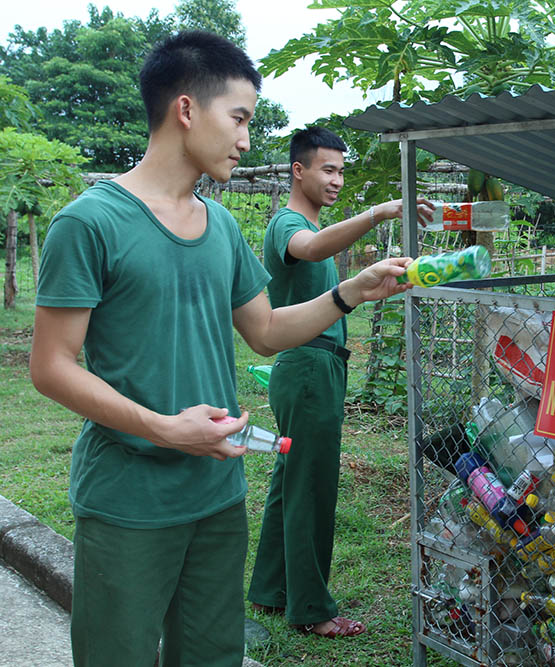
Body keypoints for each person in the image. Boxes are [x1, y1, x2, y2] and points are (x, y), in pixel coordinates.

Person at [28, 31, 413, 667]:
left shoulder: (222, 225)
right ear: (186, 109)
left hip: (217, 496)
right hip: (128, 501)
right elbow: (50, 367)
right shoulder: (90, 222)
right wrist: (163, 428)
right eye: (239, 118)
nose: (246, 139)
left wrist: (350, 291)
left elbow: (265, 330)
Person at [247, 126, 433, 638]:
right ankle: (311, 609)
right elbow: (308, 248)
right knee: (312, 486)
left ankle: (271, 590)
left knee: (290, 481)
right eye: (327, 169)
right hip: (309, 367)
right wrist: (380, 212)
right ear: (298, 170)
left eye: (341, 171)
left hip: (310, 366)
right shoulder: (290, 224)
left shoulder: (310, 224)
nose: (336, 180)